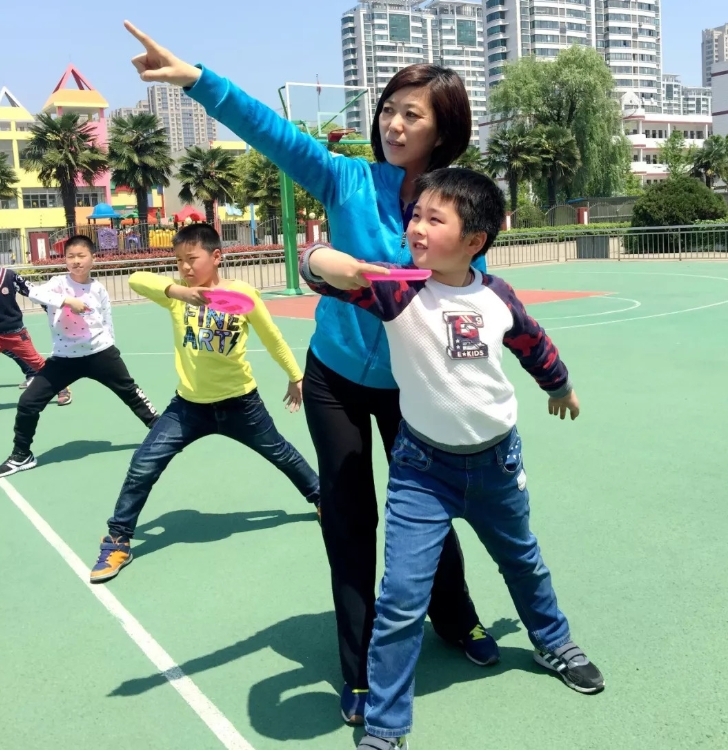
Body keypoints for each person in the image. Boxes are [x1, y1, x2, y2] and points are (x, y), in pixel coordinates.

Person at [123, 21, 497, 725]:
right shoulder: (346, 177)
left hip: (413, 386)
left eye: (411, 115)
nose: (393, 124)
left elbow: (466, 291)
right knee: (350, 518)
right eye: (389, 109)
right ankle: (358, 669)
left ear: (443, 130)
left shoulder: (450, 204)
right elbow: (271, 132)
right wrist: (196, 79)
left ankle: (455, 617)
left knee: (426, 511)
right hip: (336, 380)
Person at [301, 168, 605, 750]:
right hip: (422, 472)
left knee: (523, 561)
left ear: (474, 241)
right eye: (415, 215)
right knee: (401, 598)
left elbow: (532, 342)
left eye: (433, 219)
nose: (415, 226)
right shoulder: (396, 289)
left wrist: (560, 385)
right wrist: (325, 260)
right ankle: (386, 726)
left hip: (496, 465)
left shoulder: (496, 295)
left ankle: (554, 641)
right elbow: (317, 272)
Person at [89, 224, 319, 583]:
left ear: (216, 256)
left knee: (281, 453)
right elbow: (136, 279)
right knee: (143, 465)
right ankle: (118, 539)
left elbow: (272, 338)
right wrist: (179, 291)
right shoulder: (176, 294)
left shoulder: (242, 294)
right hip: (188, 408)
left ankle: (321, 498)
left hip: (241, 404)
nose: (184, 266)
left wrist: (295, 375)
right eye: (178, 260)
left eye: (191, 259)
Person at [0, 236, 158, 478]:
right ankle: (22, 455)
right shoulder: (56, 284)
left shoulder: (99, 289)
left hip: (100, 353)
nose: (76, 261)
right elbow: (35, 294)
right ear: (65, 260)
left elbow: (106, 320)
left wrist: (111, 347)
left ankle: (161, 431)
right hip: (64, 358)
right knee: (28, 402)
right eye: (70, 256)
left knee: (131, 393)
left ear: (93, 259)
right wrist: (66, 300)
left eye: (81, 256)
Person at [0, 266, 72, 403]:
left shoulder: (8, 275)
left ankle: (62, 387)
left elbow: (33, 291)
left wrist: (49, 306)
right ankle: (31, 373)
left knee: (37, 362)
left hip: (14, 332)